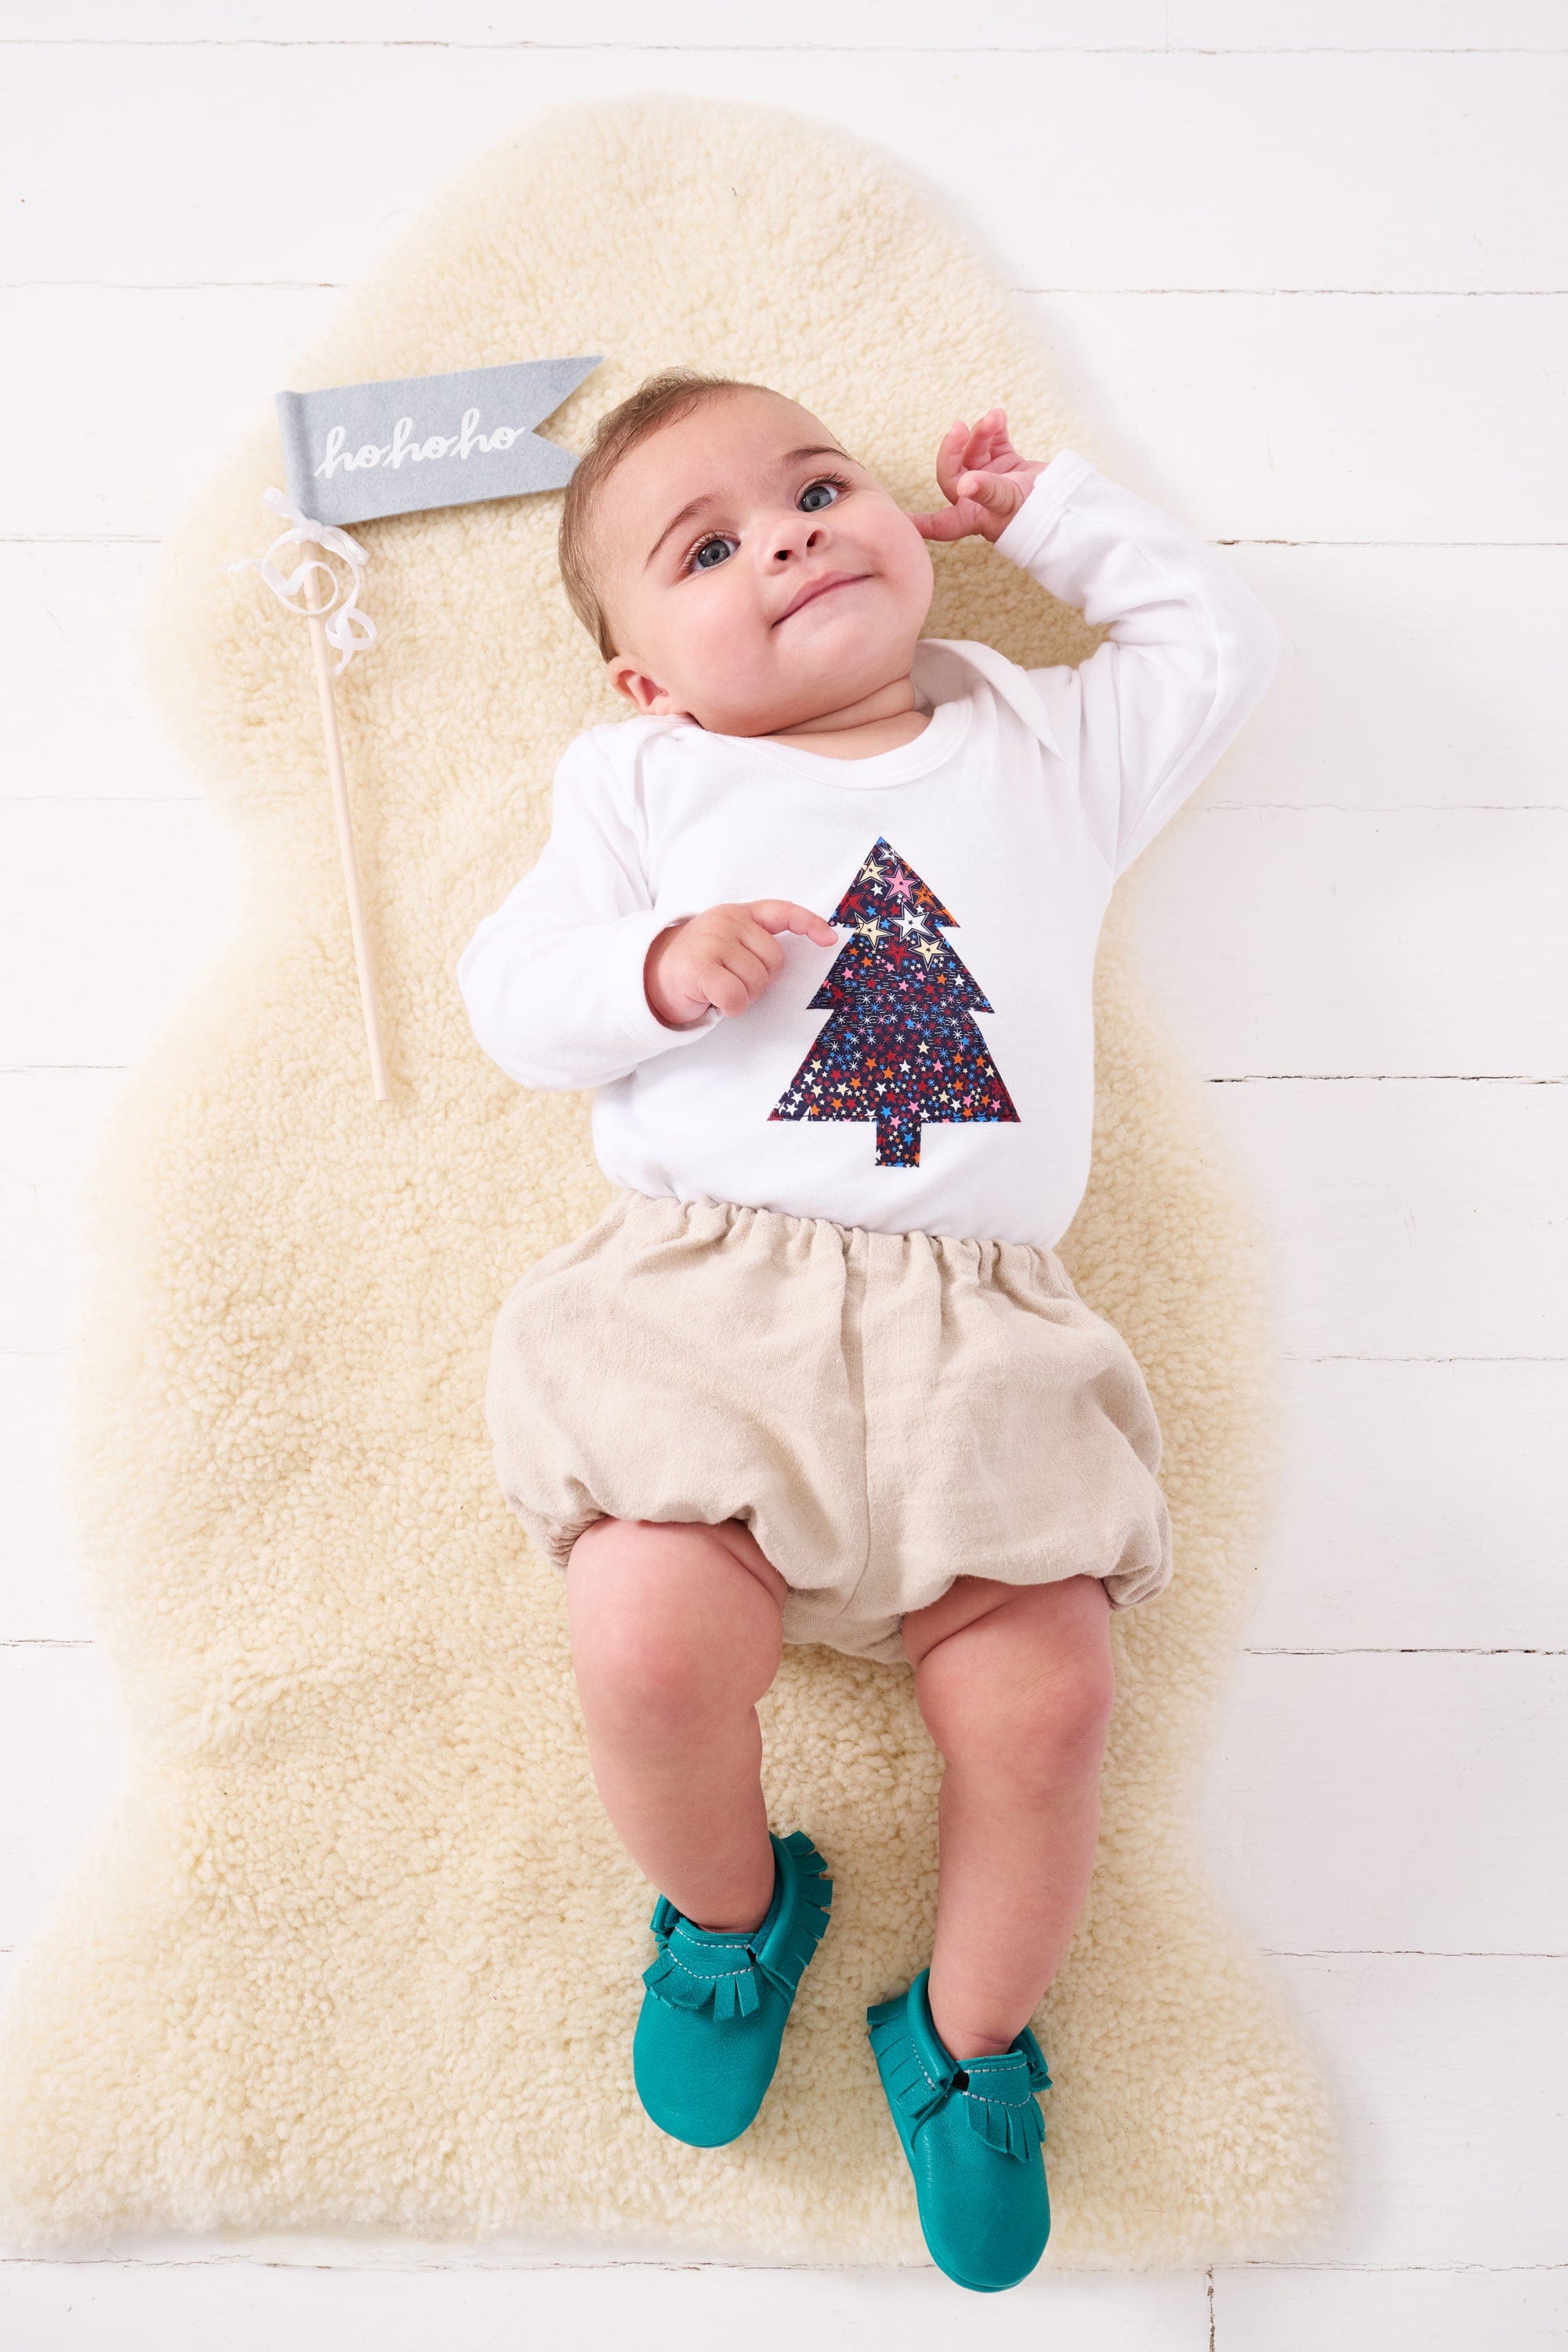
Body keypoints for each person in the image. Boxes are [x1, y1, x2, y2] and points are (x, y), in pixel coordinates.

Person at [456, 370, 1278, 2292]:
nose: (796, 535)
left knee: (1047, 1698)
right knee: (641, 1636)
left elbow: (1216, 649)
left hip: (975, 1343)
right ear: (644, 681)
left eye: (821, 488)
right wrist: (653, 972)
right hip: (707, 1308)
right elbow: (512, 995)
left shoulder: (1029, 741)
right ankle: (733, 1919)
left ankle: (968, 2041)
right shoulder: (644, 786)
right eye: (711, 548)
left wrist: (1054, 515)